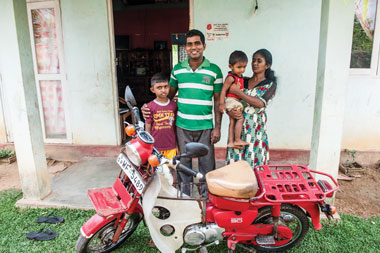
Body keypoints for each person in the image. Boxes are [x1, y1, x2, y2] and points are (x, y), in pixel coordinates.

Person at [142, 29, 223, 195]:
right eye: (190, 44)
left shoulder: (215, 71)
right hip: (182, 126)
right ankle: (185, 197)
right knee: (183, 165)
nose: (194, 47)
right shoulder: (177, 70)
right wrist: (148, 108)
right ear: (185, 48)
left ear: (204, 46)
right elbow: (167, 99)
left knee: (207, 165)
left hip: (206, 127)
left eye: (197, 43)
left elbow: (217, 102)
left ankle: (206, 199)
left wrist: (218, 127)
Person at [226, 49, 277, 167]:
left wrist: (238, 92)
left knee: (254, 162)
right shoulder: (243, 80)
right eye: (253, 60)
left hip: (255, 130)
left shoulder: (270, 84)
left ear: (267, 65)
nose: (255, 63)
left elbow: (260, 103)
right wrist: (230, 112)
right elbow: (229, 97)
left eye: (259, 61)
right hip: (237, 128)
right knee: (235, 162)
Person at [219, 50, 250, 148]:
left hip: (233, 101)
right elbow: (223, 90)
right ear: (230, 66)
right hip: (231, 101)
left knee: (232, 121)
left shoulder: (239, 76)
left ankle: (231, 142)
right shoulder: (231, 78)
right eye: (239, 67)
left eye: (244, 67)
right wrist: (221, 104)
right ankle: (237, 139)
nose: (242, 70)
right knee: (240, 118)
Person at [145, 73, 177, 159]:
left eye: (166, 87)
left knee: (171, 169)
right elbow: (148, 127)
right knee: (157, 170)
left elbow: (176, 127)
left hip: (171, 146)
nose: (163, 90)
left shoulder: (174, 105)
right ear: (152, 90)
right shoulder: (150, 106)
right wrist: (149, 145)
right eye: (159, 88)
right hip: (156, 147)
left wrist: (177, 146)